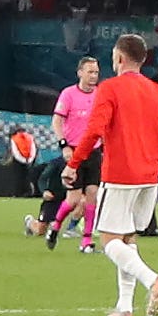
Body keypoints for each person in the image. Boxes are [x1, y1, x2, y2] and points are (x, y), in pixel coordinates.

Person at [63, 33, 158, 316]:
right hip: (150, 176)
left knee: (109, 242)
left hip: (120, 174)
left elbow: (94, 130)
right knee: (127, 238)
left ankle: (152, 280)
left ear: (119, 58)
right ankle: (125, 306)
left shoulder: (110, 89)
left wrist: (74, 163)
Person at [49, 56, 101, 253]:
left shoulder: (100, 95)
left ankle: (86, 241)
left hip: (94, 151)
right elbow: (57, 121)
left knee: (92, 195)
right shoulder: (69, 94)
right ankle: (55, 225)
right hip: (74, 151)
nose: (93, 76)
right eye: (89, 72)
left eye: (96, 72)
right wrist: (64, 145)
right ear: (80, 73)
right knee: (73, 199)